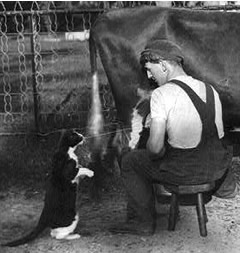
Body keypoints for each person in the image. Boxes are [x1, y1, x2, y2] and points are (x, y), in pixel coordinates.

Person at [109, 39, 233, 236]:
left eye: (150, 69)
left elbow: (155, 149)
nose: (149, 76)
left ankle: (141, 222)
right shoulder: (210, 89)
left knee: (131, 161)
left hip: (187, 172)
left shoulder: (161, 94)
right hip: (214, 169)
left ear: (164, 66)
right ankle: (224, 188)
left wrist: (154, 134)